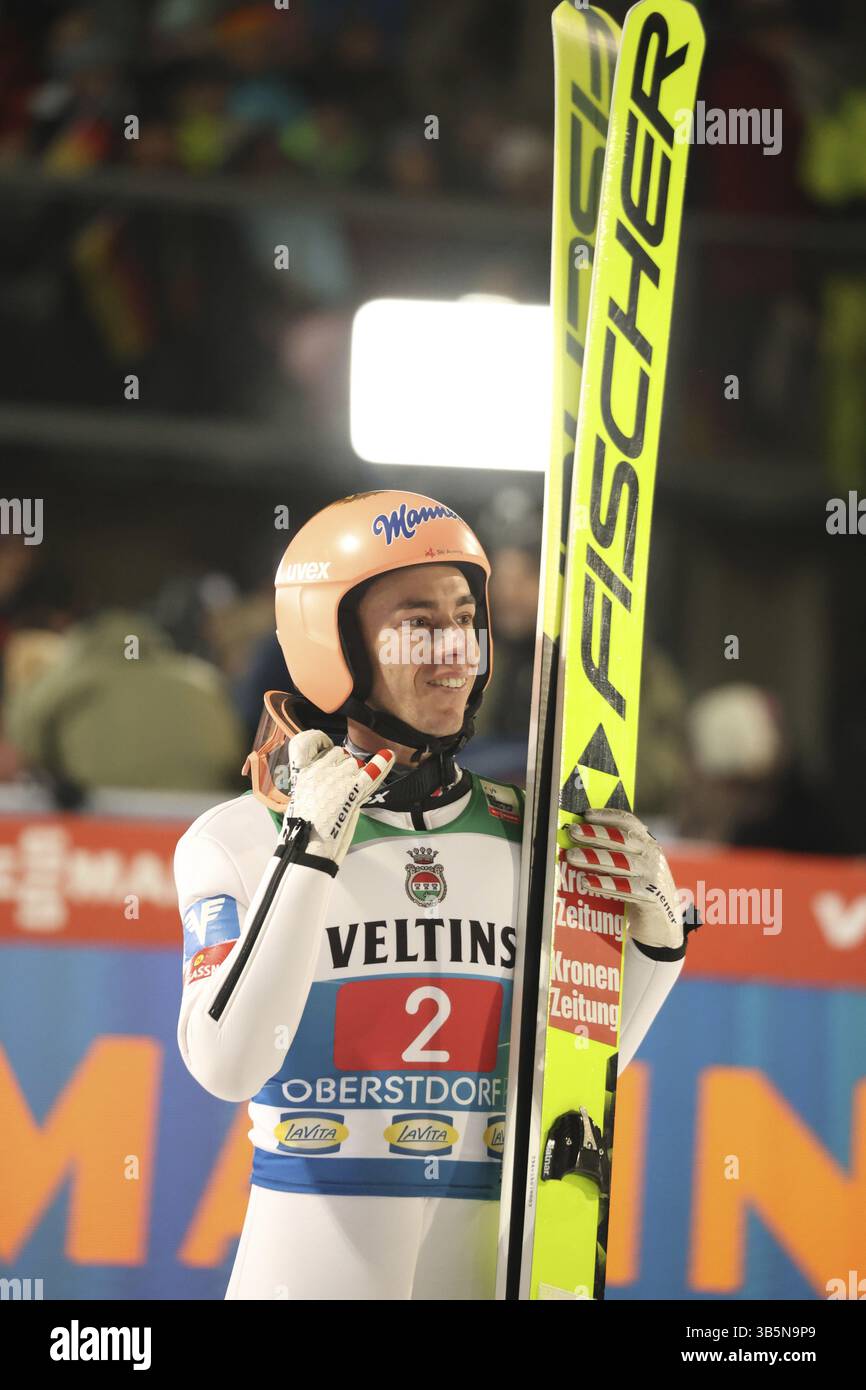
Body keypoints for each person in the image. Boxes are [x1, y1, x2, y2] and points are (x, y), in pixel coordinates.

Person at [174, 489, 688, 1300]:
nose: (457, 650)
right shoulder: (236, 839)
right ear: (330, 643)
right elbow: (227, 1065)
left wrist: (659, 943)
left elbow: (584, 1074)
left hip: (486, 1265)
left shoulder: (536, 837)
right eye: (419, 624)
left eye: (466, 620)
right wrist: (305, 854)